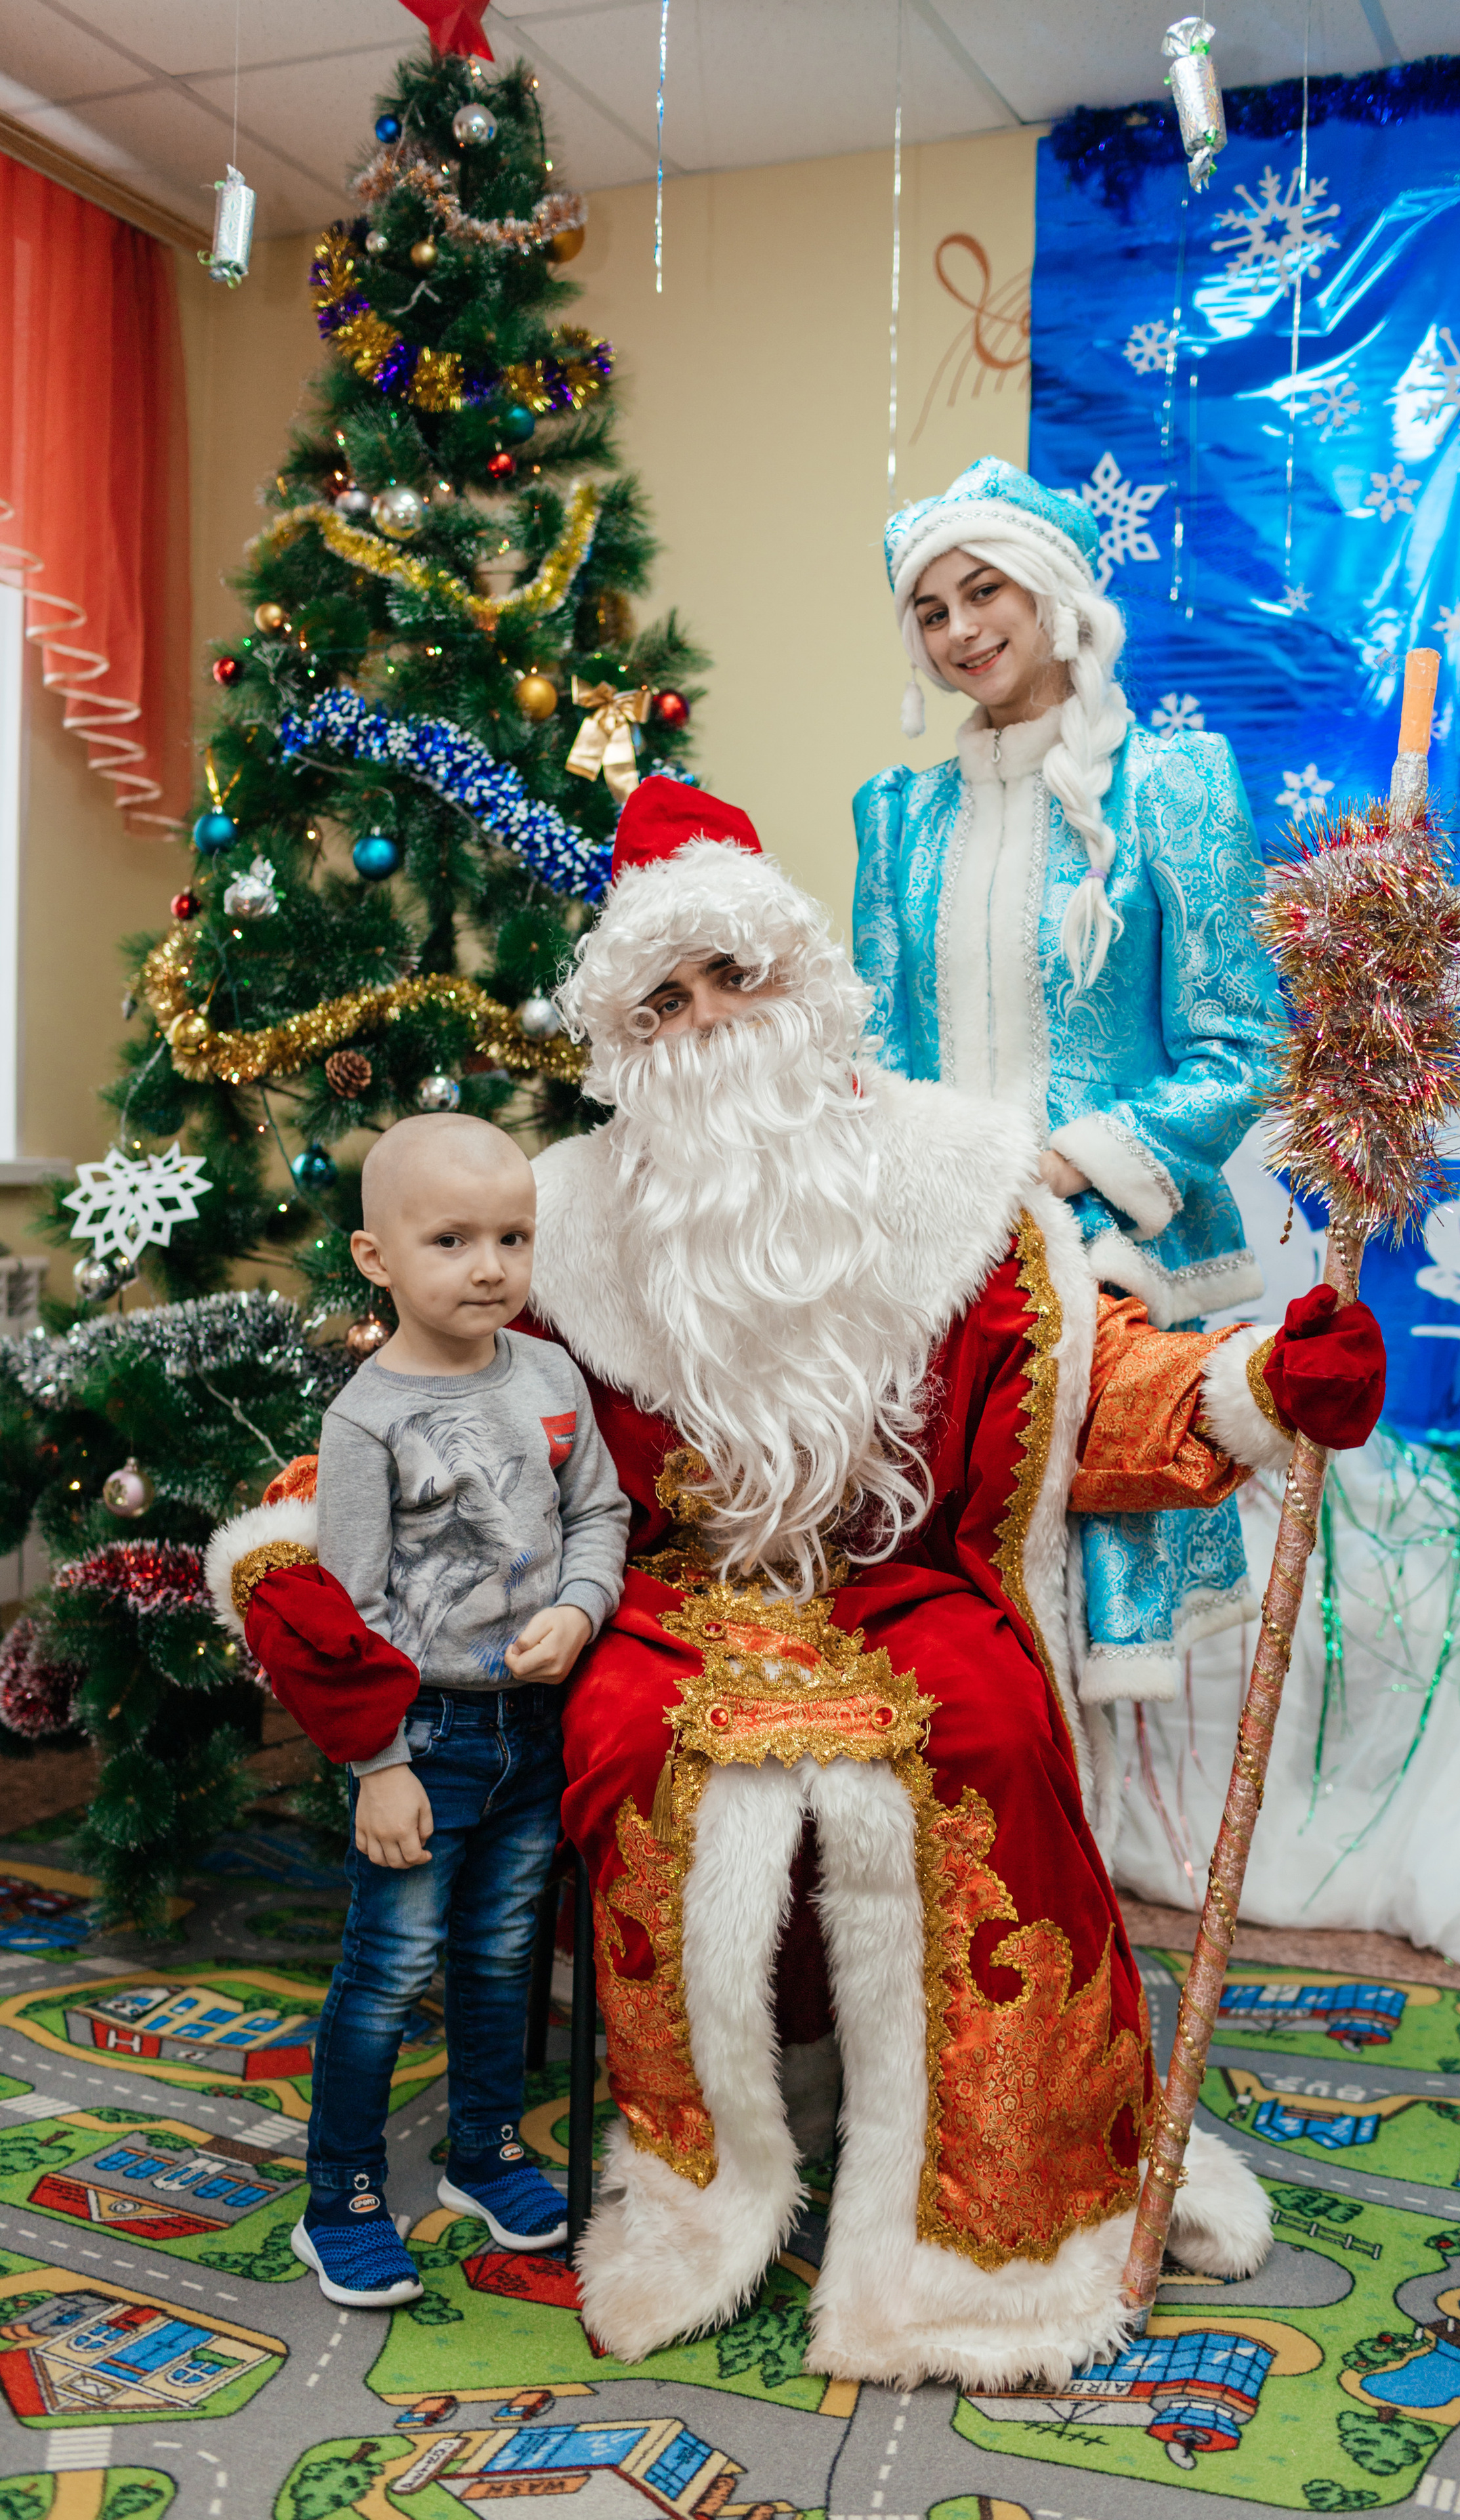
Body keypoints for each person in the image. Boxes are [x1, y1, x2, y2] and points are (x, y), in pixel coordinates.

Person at [216, 782, 1385, 2386]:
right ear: (625, 1039)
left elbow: (1091, 1379)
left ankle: (1001, 2208)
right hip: (660, 1592)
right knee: (629, 1742)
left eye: (729, 981)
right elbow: (440, 1404)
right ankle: (708, 2174)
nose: (703, 1024)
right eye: (662, 1001)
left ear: (802, 990)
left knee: (978, 1729)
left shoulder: (956, 1181)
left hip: (901, 1589)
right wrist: (291, 1542)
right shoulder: (564, 1221)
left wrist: (1256, 1384)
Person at [854, 455, 1282, 1707]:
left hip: (1105, 1268)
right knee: (947, 1615)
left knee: (1095, 1614)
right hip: (934, 1263)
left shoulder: (1174, 783)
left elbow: (1239, 1042)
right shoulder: (899, 812)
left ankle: (1086, 1880)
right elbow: (876, 1045)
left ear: (1051, 595)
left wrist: (1061, 1163)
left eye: (984, 592)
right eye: (931, 611)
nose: (960, 631)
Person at [209, 1113, 629, 2309]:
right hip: (423, 1739)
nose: (489, 1266)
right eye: (450, 1240)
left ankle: (483, 2151)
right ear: (375, 1258)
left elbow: (598, 1513)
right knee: (389, 1967)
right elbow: (346, 1620)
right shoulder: (366, 1420)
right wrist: (380, 1764)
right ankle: (338, 2195)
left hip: (532, 1727)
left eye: (512, 1237)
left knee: (502, 1955)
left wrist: (584, 1611)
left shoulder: (550, 1377)